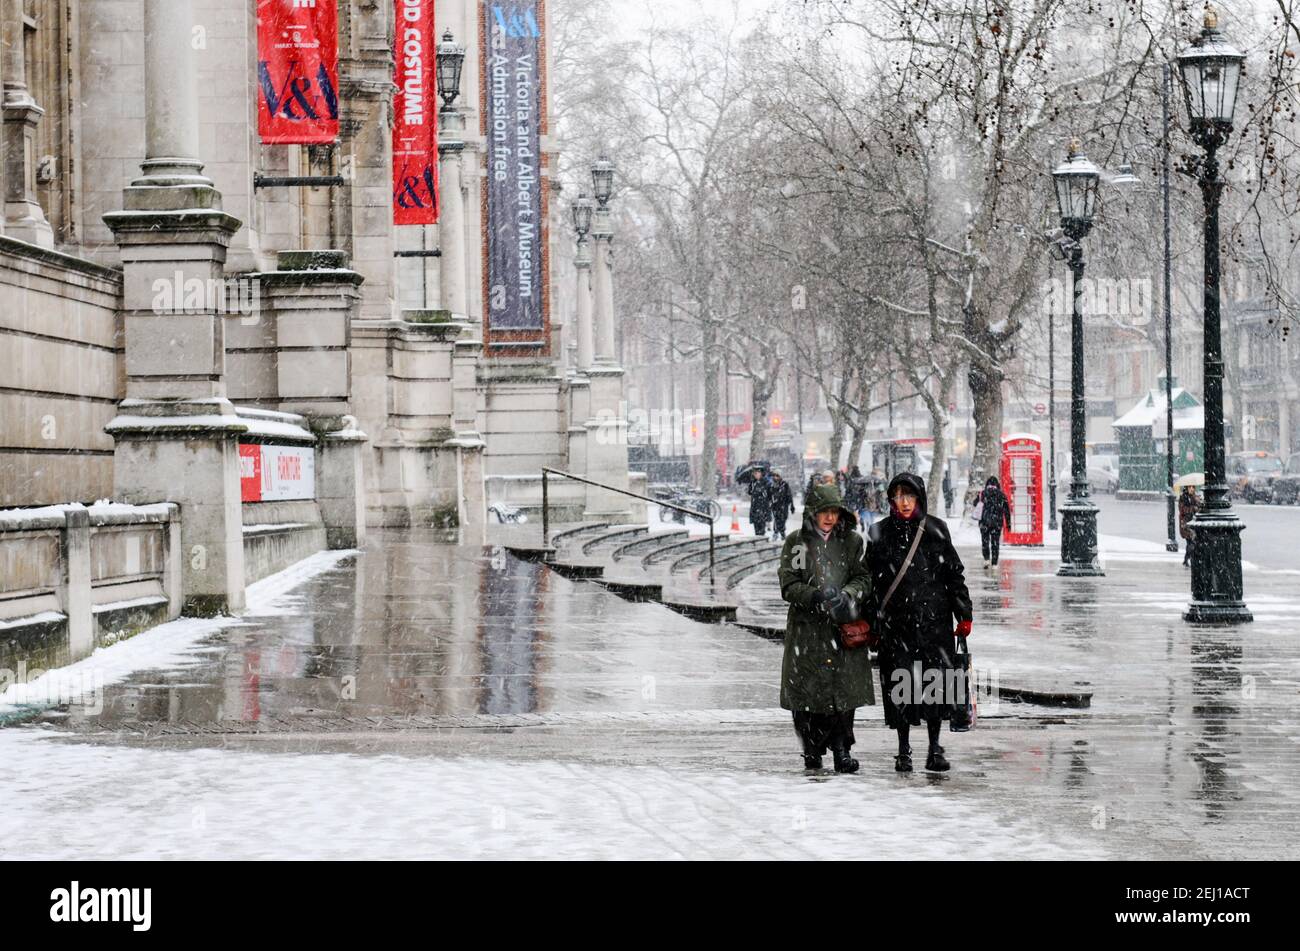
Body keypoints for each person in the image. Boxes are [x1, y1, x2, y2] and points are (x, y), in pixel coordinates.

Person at [866, 473, 973, 773]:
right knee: (901, 686)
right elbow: (870, 582)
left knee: (935, 686)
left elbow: (954, 574)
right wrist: (871, 621)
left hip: (933, 624)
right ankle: (903, 750)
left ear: (919, 499)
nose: (902, 502)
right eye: (897, 496)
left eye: (908, 496)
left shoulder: (936, 529)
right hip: (895, 626)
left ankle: (935, 748)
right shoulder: (878, 532)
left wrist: (964, 613)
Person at [778, 483, 874, 773]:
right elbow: (789, 583)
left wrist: (847, 595)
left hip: (841, 629)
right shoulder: (798, 543)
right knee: (807, 694)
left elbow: (863, 578)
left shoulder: (852, 542)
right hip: (808, 632)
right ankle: (811, 748)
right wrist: (814, 596)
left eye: (834, 512)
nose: (830, 518)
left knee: (843, 693)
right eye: (824, 512)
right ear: (813, 514)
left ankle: (842, 750)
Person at [976, 476, 1013, 569]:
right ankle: (994, 564)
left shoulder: (983, 494)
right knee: (995, 543)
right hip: (997, 523)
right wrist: (1008, 523)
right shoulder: (1001, 494)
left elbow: (975, 503)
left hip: (984, 522)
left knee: (985, 542)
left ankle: (986, 559)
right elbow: (1007, 511)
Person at [1179, 485, 1201, 568]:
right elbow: (1182, 509)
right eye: (1190, 487)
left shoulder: (1195, 497)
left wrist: (1198, 503)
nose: (1192, 489)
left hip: (1193, 523)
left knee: (1192, 542)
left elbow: (1199, 508)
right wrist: (1193, 508)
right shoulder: (1183, 497)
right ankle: (1189, 560)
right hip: (1185, 523)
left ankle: (1186, 559)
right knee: (1190, 542)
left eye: (1193, 487)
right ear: (1186, 488)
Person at [747, 470, 773, 537]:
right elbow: (749, 492)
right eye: (754, 473)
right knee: (756, 524)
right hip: (755, 506)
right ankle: (757, 536)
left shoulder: (765, 482)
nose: (755, 475)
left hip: (763, 506)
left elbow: (769, 494)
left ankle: (761, 536)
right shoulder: (753, 482)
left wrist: (762, 491)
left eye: (757, 473)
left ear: (761, 474)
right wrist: (752, 484)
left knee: (762, 523)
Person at [770, 472, 795, 539]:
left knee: (783, 518)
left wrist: (792, 505)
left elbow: (789, 495)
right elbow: (769, 495)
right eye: (774, 476)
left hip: (784, 504)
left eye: (777, 475)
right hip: (775, 505)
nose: (775, 477)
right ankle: (777, 532)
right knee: (777, 519)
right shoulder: (772, 485)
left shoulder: (785, 484)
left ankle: (781, 531)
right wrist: (771, 502)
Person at [844, 465, 867, 529]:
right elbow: (864, 490)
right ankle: (861, 521)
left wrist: (846, 498)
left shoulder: (851, 478)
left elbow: (848, 489)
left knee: (852, 511)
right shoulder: (862, 478)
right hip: (859, 498)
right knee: (858, 511)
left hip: (852, 498)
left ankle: (854, 524)